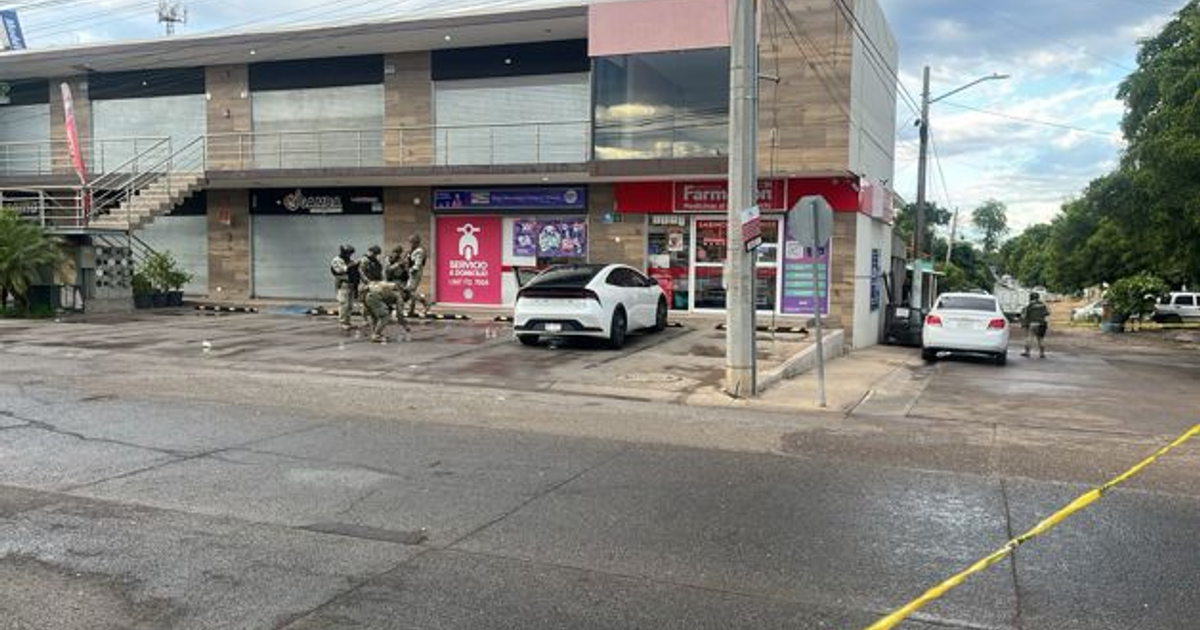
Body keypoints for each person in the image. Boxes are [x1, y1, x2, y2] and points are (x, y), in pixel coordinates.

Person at [330, 244, 359, 332]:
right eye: (348, 253)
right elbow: (340, 270)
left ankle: (348, 322)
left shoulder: (350, 260)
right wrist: (352, 266)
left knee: (350, 305)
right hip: (343, 284)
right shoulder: (336, 260)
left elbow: (354, 272)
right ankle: (343, 323)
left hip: (351, 284)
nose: (350, 255)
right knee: (344, 304)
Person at [402, 233, 431, 318]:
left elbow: (417, 264)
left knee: (409, 291)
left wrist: (411, 270)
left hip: (415, 274)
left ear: (416, 242)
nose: (410, 243)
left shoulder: (419, 251)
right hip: (411, 273)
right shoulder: (413, 250)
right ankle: (411, 310)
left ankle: (425, 303)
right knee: (411, 292)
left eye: (411, 242)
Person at [1020, 292, 1050, 358]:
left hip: (1032, 323)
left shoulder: (1029, 305)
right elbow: (1048, 313)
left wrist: (1023, 323)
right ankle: (1042, 353)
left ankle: (1027, 352)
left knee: (1029, 338)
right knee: (1041, 339)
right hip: (1041, 324)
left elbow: (1024, 315)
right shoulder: (1043, 305)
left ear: (1031, 297)